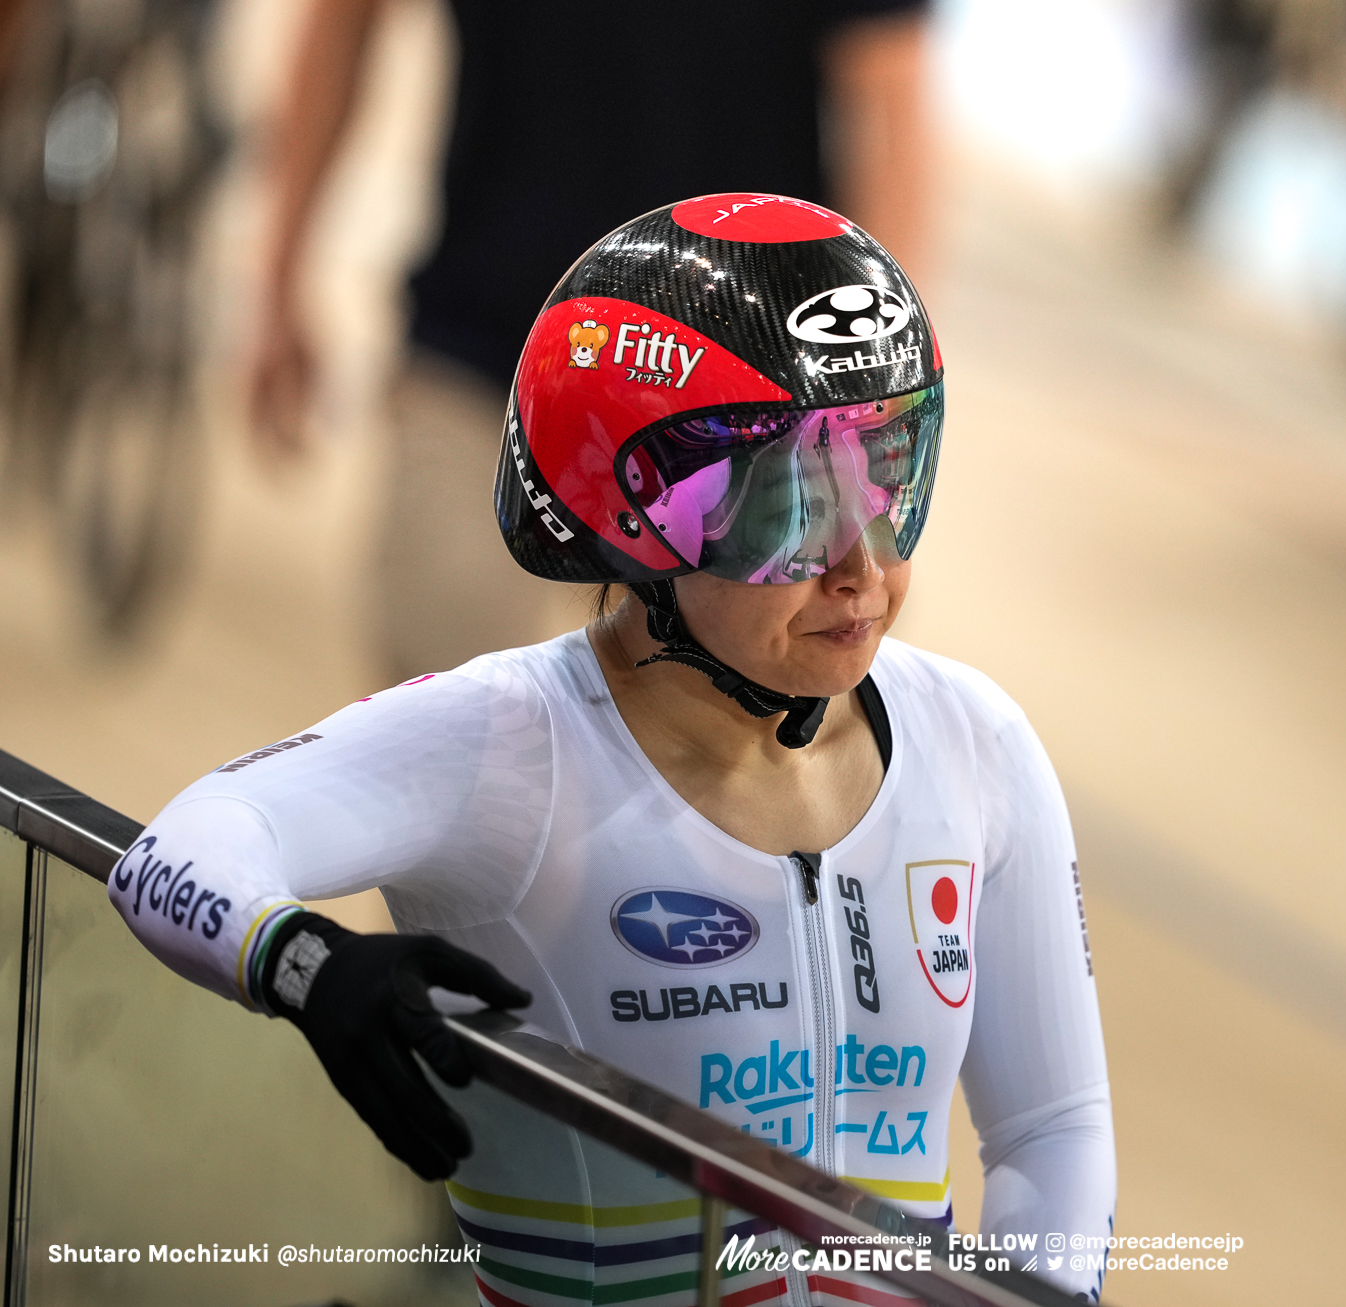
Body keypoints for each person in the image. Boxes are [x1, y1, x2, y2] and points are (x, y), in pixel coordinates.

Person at [109, 194, 1115, 1306]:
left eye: (888, 483)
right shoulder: (505, 743)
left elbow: (1049, 1128)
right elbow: (173, 851)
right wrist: (303, 963)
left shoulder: (976, 738)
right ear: (637, 520)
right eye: (791, 507)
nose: (861, 569)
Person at [251, 0, 932, 683]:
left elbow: (889, 106)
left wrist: (861, 403)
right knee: (454, 716)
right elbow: (345, 19)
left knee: (707, 738)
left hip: (742, 416)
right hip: (493, 356)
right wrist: (277, 279)